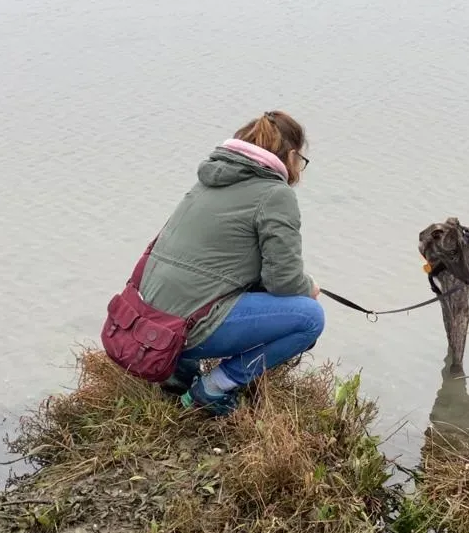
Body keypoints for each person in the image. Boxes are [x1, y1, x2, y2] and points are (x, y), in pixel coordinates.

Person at [133, 110, 325, 416]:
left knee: (200, 281)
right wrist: (310, 287)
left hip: (147, 323)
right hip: (185, 328)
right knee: (309, 317)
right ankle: (213, 387)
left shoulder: (207, 180)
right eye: (300, 160)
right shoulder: (275, 194)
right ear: (290, 156)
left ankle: (178, 372)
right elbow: (284, 281)